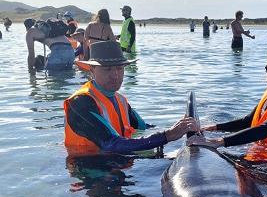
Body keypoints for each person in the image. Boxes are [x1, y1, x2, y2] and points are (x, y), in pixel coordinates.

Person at [64, 41, 199, 155]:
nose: (115, 75)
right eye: (107, 69)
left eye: (119, 68)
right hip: (89, 172)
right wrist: (167, 135)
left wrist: (182, 127)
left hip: (118, 163)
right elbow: (110, 144)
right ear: (92, 70)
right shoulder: (80, 103)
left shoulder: (120, 100)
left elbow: (144, 127)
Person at [187, 44, 267, 158]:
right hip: (266, 153)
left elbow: (265, 129)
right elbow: (248, 121)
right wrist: (214, 128)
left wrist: (218, 142)